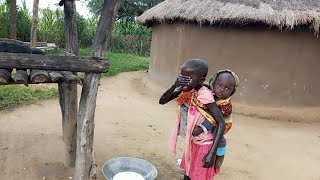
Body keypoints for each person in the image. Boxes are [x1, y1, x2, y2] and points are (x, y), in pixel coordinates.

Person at [159, 59, 226, 180]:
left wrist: (211, 154)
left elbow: (221, 123)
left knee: (198, 176)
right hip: (193, 142)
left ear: (200, 80)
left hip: (205, 146)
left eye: (188, 77)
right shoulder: (188, 90)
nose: (184, 80)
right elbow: (162, 101)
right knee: (189, 173)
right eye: (182, 76)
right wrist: (175, 85)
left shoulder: (204, 95)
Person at [192, 69, 239, 171]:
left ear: (232, 91)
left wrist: (201, 128)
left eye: (227, 88)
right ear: (213, 82)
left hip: (221, 123)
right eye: (219, 84)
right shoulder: (209, 92)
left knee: (219, 137)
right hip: (211, 119)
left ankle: (220, 155)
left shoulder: (225, 104)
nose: (222, 89)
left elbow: (214, 120)